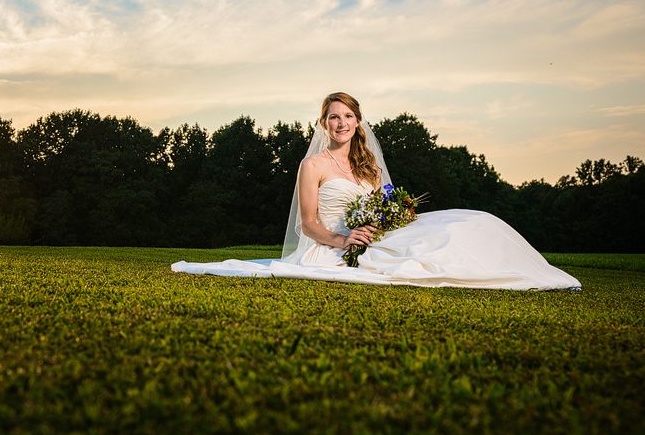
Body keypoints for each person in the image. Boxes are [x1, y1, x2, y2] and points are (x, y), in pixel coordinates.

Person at [171, 92, 581, 291]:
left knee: (472, 222)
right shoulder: (311, 166)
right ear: (323, 123)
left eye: (348, 116)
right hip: (335, 247)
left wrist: (397, 217)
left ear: (358, 122)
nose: (341, 123)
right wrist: (345, 238)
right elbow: (308, 224)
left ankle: (527, 269)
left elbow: (389, 204)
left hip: (379, 234)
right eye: (334, 117)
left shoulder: (369, 165)